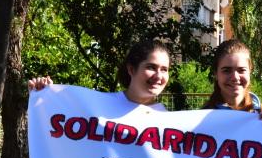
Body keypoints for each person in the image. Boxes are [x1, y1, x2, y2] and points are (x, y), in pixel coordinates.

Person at [28, 39, 171, 111]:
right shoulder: (99, 108)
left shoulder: (172, 124)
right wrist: (44, 96)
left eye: (164, 69)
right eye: (151, 67)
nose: (159, 76)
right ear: (131, 69)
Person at [201, 39, 262, 119]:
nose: (235, 77)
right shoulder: (202, 120)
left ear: (250, 71)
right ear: (216, 73)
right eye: (227, 70)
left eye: (241, 70)